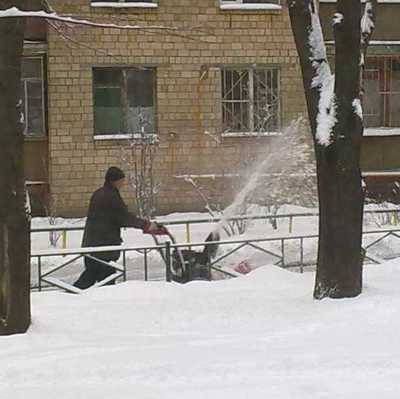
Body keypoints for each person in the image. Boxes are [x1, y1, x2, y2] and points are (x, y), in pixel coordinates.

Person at [74, 166, 167, 289]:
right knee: (104, 280)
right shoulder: (110, 196)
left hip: (94, 244)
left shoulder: (100, 193)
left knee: (93, 276)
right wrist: (146, 225)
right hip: (103, 246)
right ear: (115, 180)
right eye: (122, 180)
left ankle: (73, 296)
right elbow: (123, 217)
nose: (123, 183)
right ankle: (73, 297)